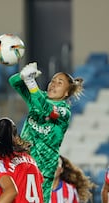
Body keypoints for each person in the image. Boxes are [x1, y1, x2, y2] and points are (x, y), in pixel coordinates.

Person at [8, 62, 84, 202]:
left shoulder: (64, 111)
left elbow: (45, 109)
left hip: (43, 169)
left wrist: (31, 82)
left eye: (59, 83)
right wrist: (23, 75)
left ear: (66, 93)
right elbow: (13, 82)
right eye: (52, 80)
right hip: (22, 162)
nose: (53, 84)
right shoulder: (38, 97)